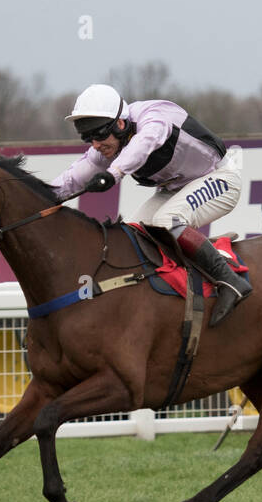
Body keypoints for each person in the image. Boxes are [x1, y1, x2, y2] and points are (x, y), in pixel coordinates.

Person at [52, 83, 251, 326]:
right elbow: (72, 179)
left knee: (167, 221)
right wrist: (41, 198)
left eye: (99, 135)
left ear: (121, 124)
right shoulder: (107, 143)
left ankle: (230, 280)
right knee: (130, 232)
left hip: (221, 180)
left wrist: (114, 173)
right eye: (88, 137)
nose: (95, 144)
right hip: (176, 189)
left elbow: (143, 144)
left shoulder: (153, 118)